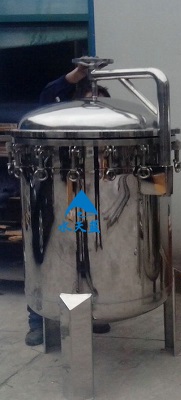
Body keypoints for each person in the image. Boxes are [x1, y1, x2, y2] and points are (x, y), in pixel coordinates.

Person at [25, 63, 111, 346]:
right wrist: (75, 75)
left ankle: (94, 311)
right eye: (89, 102)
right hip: (53, 192)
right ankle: (38, 321)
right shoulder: (57, 118)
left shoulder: (108, 131)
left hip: (93, 193)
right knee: (46, 253)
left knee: (95, 254)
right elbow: (46, 96)